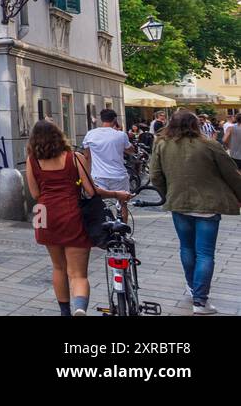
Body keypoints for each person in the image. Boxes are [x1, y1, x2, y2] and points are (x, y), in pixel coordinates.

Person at [25, 119, 129, 317]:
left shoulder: (32, 160)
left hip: (45, 214)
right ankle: (80, 308)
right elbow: (90, 191)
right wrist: (116, 194)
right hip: (72, 213)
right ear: (59, 136)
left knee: (58, 267)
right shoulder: (75, 158)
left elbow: (34, 193)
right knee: (78, 274)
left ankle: (65, 313)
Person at [149, 109, 241, 315]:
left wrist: (168, 193)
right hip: (207, 205)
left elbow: (155, 176)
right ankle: (200, 300)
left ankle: (193, 288)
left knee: (186, 248)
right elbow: (232, 174)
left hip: (178, 203)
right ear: (195, 124)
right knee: (205, 253)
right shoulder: (209, 144)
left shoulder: (161, 144)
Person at [82, 109, 133, 213]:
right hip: (119, 176)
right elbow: (130, 150)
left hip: (98, 176)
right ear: (114, 120)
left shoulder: (91, 134)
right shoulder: (120, 135)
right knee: (122, 203)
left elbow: (86, 156)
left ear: (102, 119)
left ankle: (101, 226)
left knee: (98, 204)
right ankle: (123, 227)